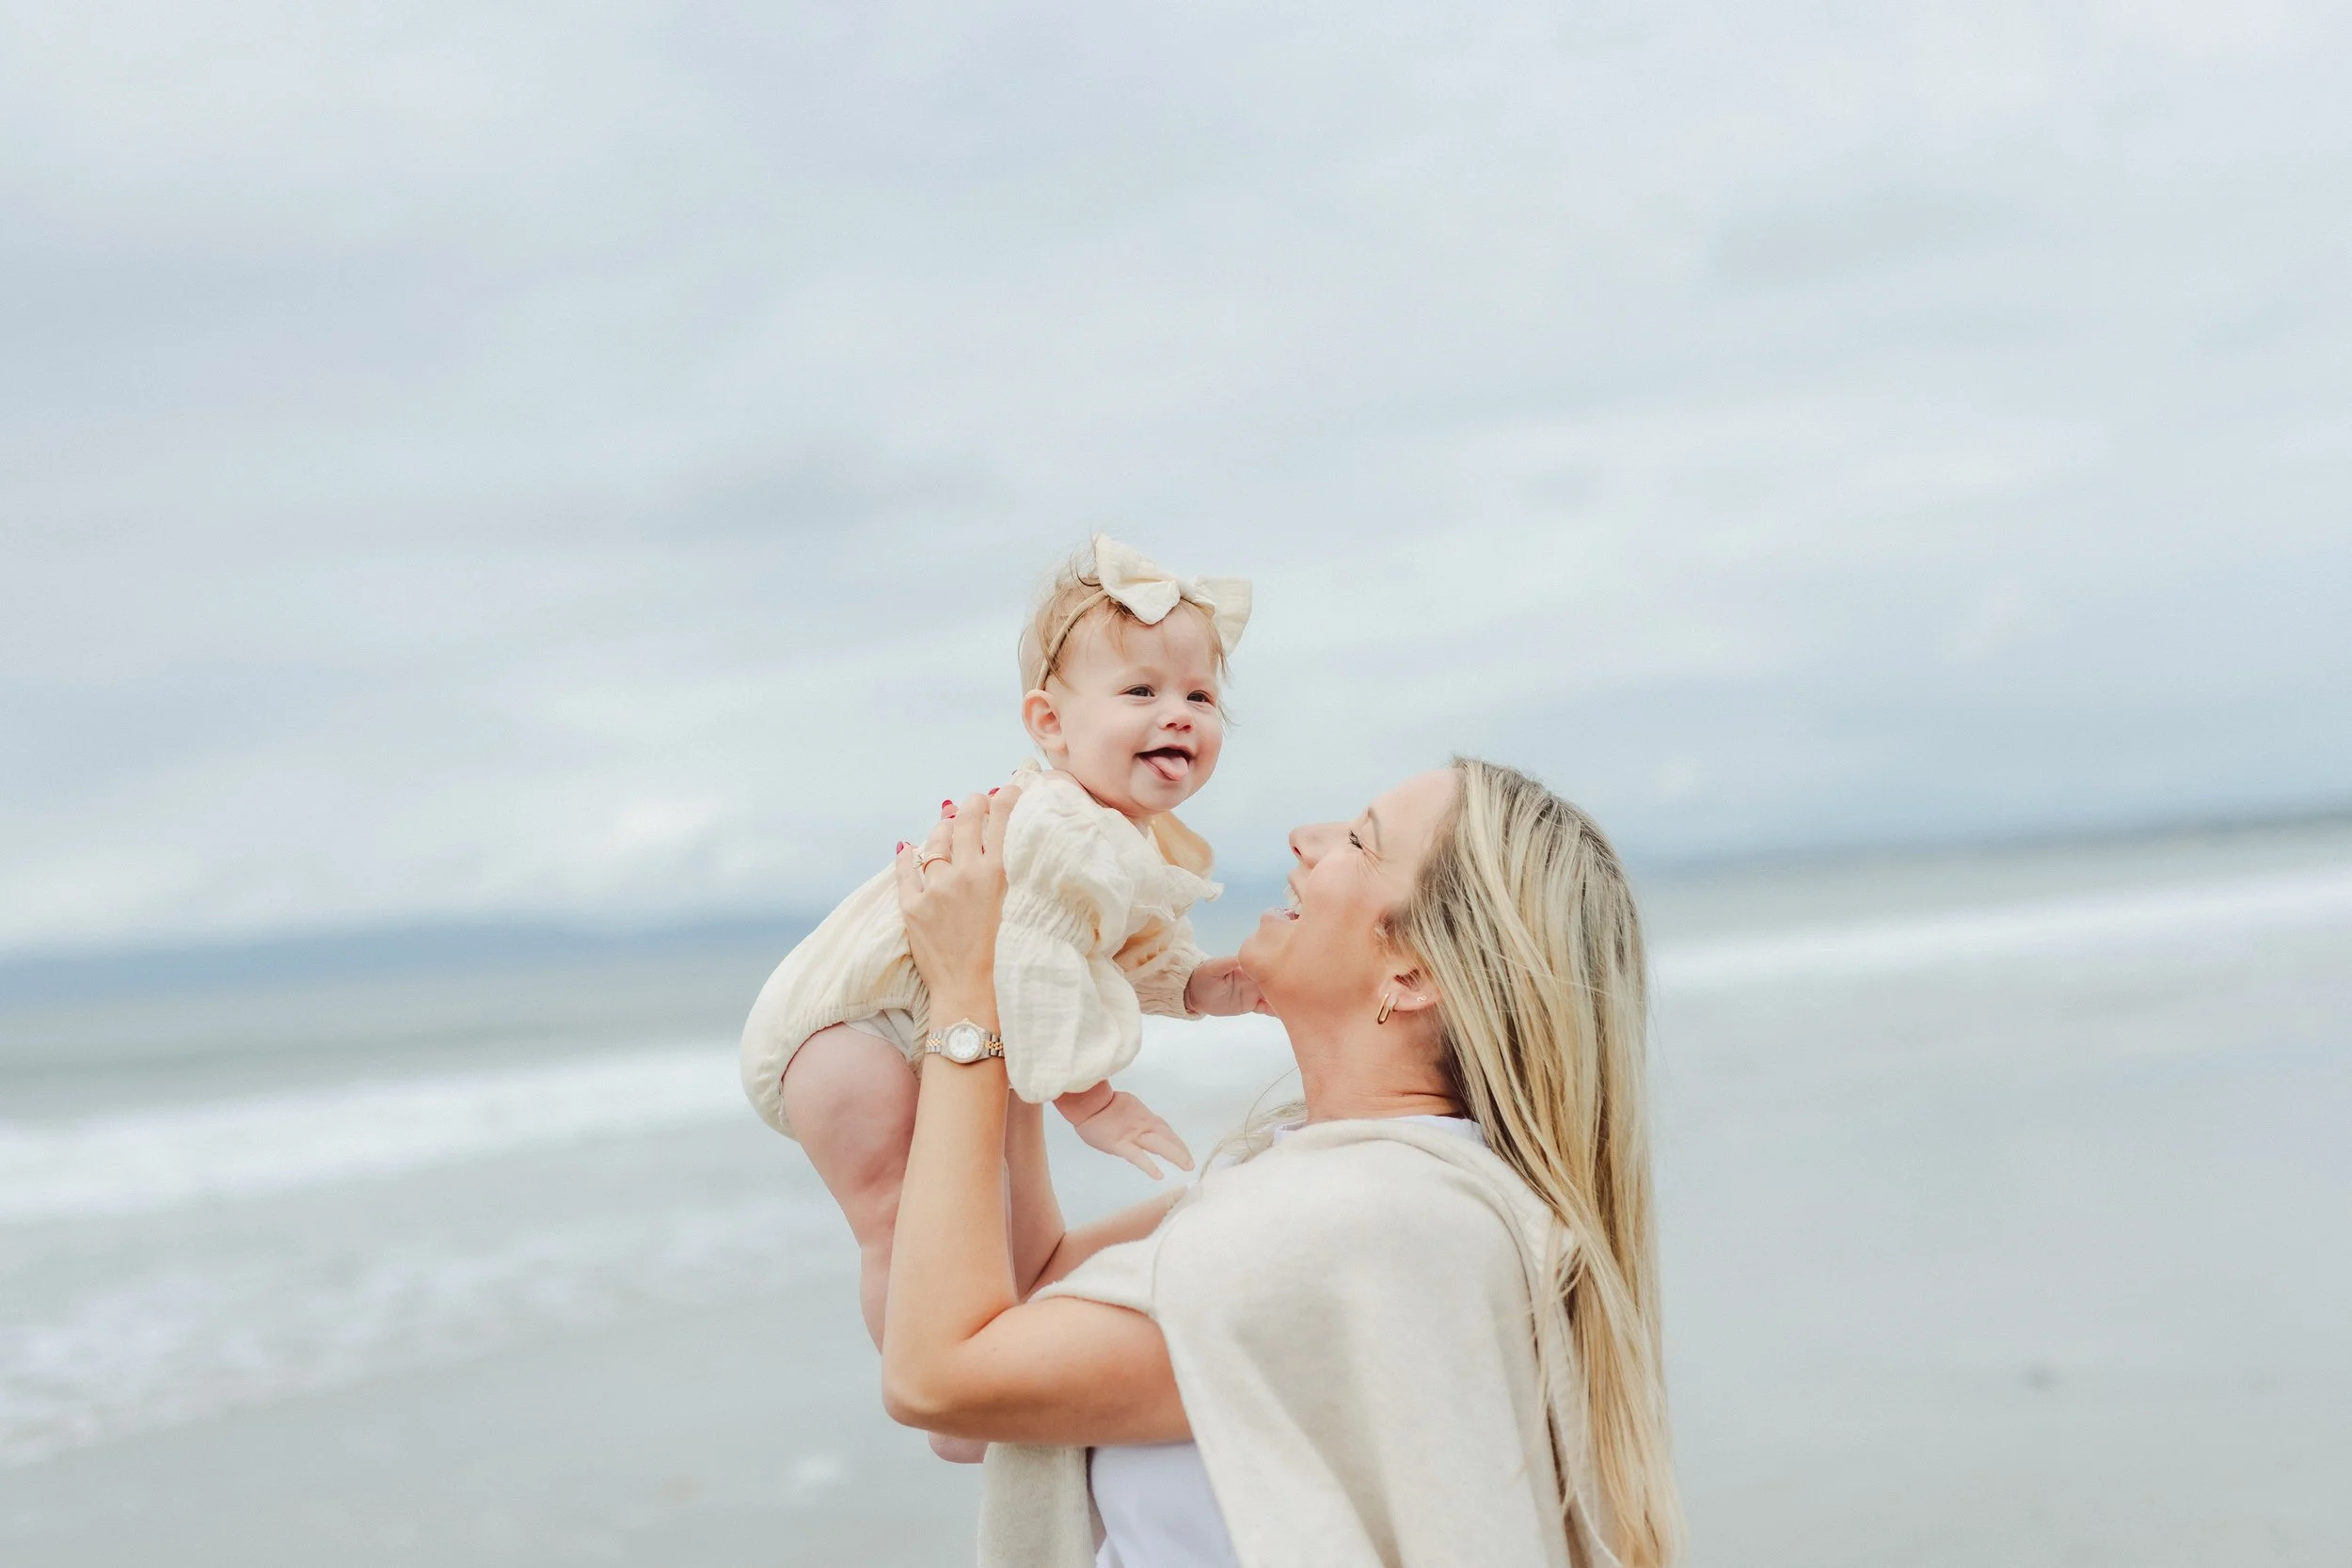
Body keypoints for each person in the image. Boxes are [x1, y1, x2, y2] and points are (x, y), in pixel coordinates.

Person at [882, 758, 1685, 1567]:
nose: (1305, 839)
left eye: (1360, 842)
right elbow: (1020, 1303)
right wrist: (1021, 969)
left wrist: (967, 999)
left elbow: (939, 1380)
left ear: (1412, 973)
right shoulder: (1338, 1192)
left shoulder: (1356, 1224)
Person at [738, 536, 1264, 1461]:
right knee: (898, 1217)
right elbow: (1033, 970)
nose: (1176, 714)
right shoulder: (1063, 825)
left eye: (1200, 696)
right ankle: (948, 1397)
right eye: (1140, 691)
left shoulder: (1117, 834)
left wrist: (1197, 984)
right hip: (846, 1030)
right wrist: (1092, 1099)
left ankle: (977, 1365)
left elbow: (1115, 948)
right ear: (1050, 724)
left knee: (973, 1218)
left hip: (916, 1022)